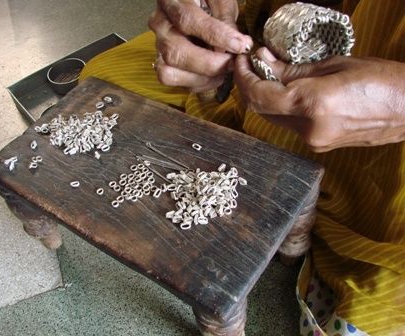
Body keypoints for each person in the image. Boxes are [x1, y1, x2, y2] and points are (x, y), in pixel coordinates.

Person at [80, 0, 405, 335]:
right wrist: (201, 12)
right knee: (98, 81)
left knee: (359, 316)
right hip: (261, 45)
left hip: (389, 160)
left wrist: (398, 103)